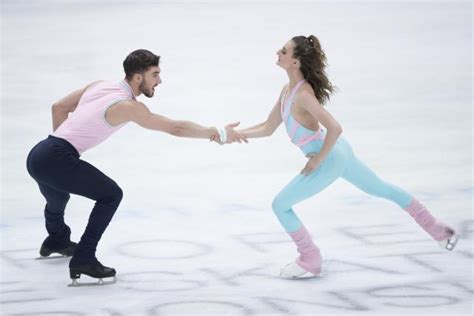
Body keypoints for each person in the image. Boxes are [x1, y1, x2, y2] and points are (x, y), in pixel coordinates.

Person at [225, 35, 459, 278]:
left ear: (295, 62)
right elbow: (267, 126)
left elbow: (335, 127)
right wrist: (235, 134)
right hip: (340, 153)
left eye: (283, 51)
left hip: (331, 158)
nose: (278, 52)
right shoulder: (288, 90)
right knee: (382, 188)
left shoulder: (303, 95)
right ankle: (438, 230)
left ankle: (310, 258)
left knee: (280, 205)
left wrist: (317, 159)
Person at [26, 49, 245, 285]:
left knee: (58, 198)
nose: (159, 81)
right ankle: (83, 258)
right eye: (155, 74)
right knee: (111, 195)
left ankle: (57, 239)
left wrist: (63, 146)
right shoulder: (129, 106)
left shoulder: (99, 85)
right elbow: (175, 128)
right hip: (56, 157)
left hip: (39, 154)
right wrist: (218, 133)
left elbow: (58, 107)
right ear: (138, 77)